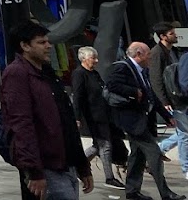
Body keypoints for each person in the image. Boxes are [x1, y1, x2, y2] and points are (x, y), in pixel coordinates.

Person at [0, 20, 94, 200]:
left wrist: (82, 166)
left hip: (66, 163)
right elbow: (21, 125)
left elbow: (66, 121)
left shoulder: (47, 73)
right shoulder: (17, 73)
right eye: (41, 42)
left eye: (48, 41)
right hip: (47, 166)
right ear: (25, 46)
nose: (48, 46)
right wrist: (34, 170)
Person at [105, 40, 185, 200]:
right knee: (155, 154)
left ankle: (132, 191)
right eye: (148, 55)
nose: (150, 58)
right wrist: (134, 91)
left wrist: (167, 116)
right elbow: (112, 84)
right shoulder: (122, 67)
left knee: (137, 157)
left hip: (143, 121)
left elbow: (151, 96)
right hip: (132, 122)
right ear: (139, 54)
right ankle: (166, 193)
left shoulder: (143, 71)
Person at [70, 45, 128, 190]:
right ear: (84, 59)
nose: (96, 61)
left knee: (98, 146)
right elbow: (77, 97)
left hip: (104, 114)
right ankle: (109, 178)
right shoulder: (79, 74)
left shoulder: (94, 74)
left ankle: (75, 166)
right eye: (93, 58)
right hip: (93, 116)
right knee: (105, 145)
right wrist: (77, 117)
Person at [150, 23, 188, 178]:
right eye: (172, 33)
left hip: (178, 97)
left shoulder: (172, 51)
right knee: (184, 134)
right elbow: (156, 79)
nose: (175, 35)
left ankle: (160, 148)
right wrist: (163, 101)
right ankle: (186, 168)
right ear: (163, 36)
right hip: (171, 100)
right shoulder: (157, 53)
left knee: (184, 132)